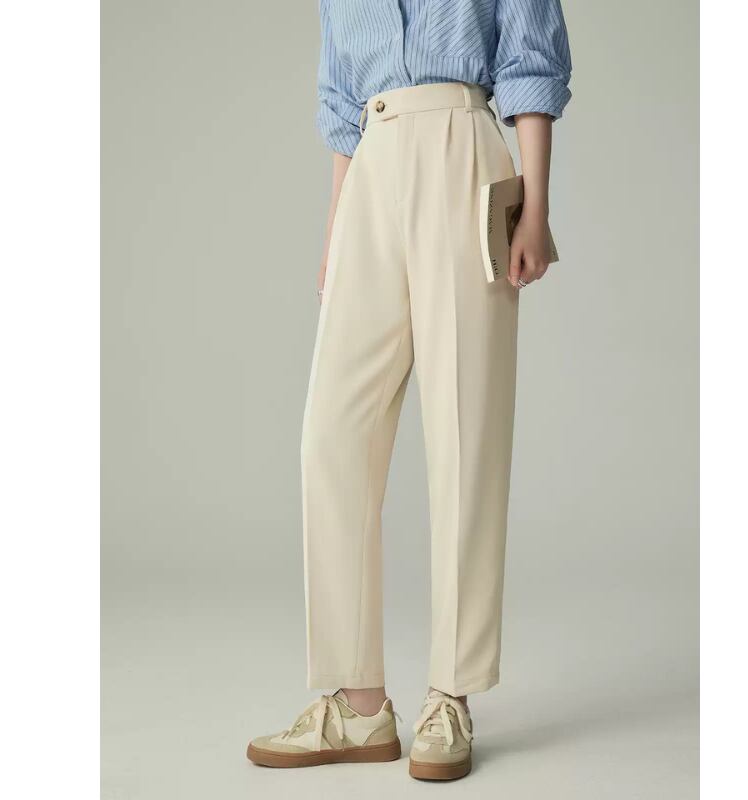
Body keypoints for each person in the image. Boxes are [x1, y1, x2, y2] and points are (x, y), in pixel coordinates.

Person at [247, 0, 572, 782]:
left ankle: (450, 694)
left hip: (464, 150)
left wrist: (534, 202)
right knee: (333, 435)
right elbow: (341, 99)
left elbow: (530, 55)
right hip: (371, 164)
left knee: (465, 429)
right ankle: (359, 705)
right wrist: (337, 230)